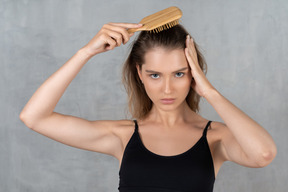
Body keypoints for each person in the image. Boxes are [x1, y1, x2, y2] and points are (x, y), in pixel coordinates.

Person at [20, 22, 277, 191]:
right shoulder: (122, 135)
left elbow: (263, 154)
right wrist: (85, 52)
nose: (167, 89)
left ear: (194, 74)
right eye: (155, 75)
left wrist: (209, 91)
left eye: (178, 74)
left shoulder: (215, 138)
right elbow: (34, 117)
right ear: (140, 74)